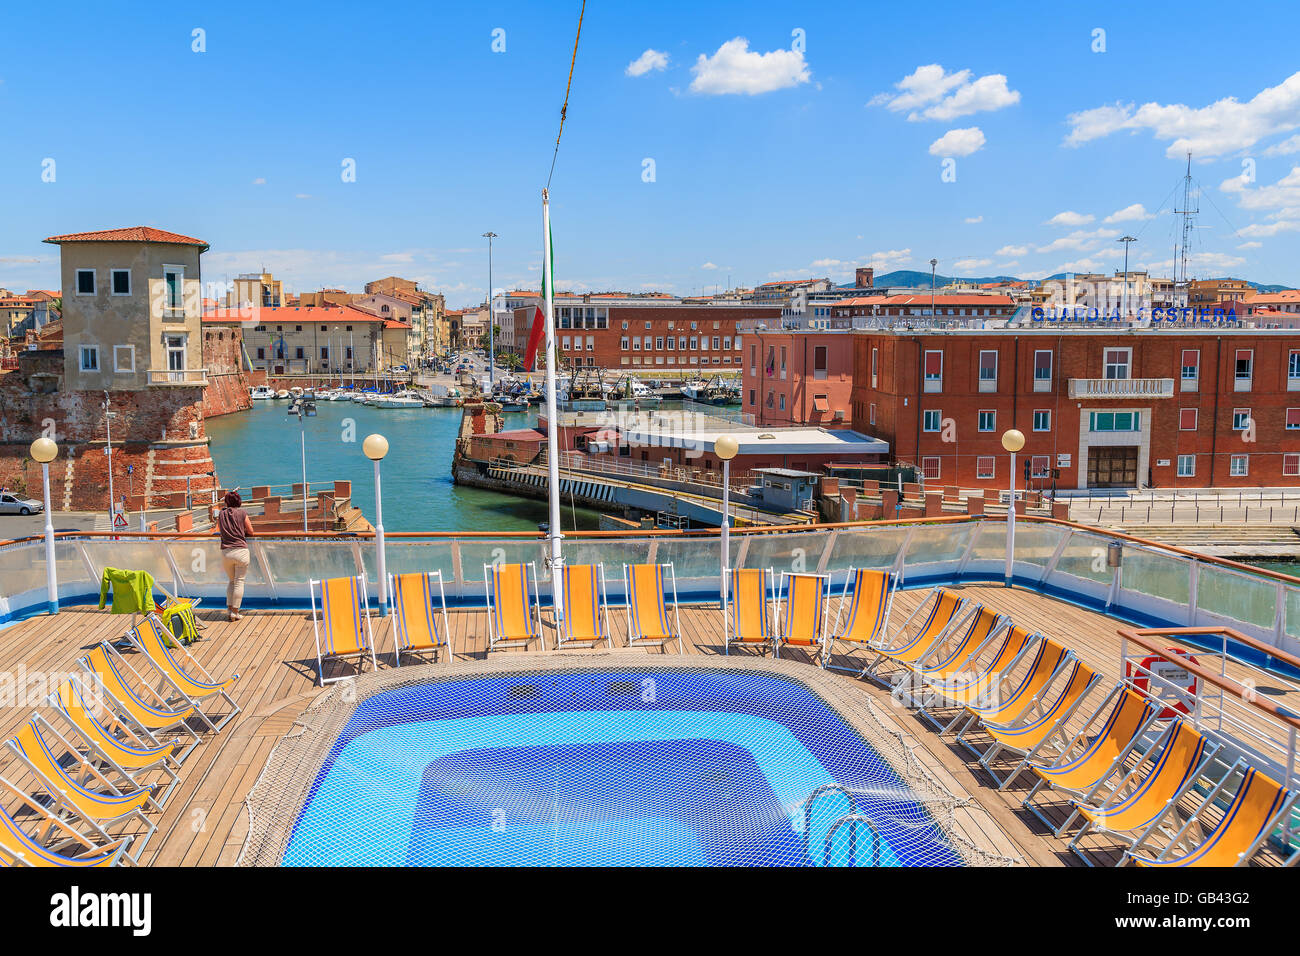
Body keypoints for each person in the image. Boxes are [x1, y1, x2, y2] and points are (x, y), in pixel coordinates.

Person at [211, 491, 254, 621]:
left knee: (231, 581)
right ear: (239, 501)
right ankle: (235, 612)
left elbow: (218, 530)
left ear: (227, 502)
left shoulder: (221, 514)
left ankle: (229, 610)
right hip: (241, 551)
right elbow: (251, 531)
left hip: (226, 552)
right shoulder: (242, 513)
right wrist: (241, 532)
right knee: (239, 582)